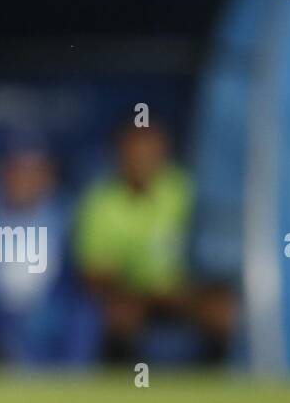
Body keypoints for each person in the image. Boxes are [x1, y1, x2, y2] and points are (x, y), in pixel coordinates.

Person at [74, 119, 236, 363]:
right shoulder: (102, 201)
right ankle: (122, 388)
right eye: (135, 154)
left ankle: (212, 386)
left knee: (221, 311)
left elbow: (209, 246)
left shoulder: (182, 190)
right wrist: (139, 287)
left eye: (150, 153)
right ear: (121, 155)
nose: (142, 161)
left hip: (181, 293)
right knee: (121, 315)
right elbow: (93, 271)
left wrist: (189, 286)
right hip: (133, 295)